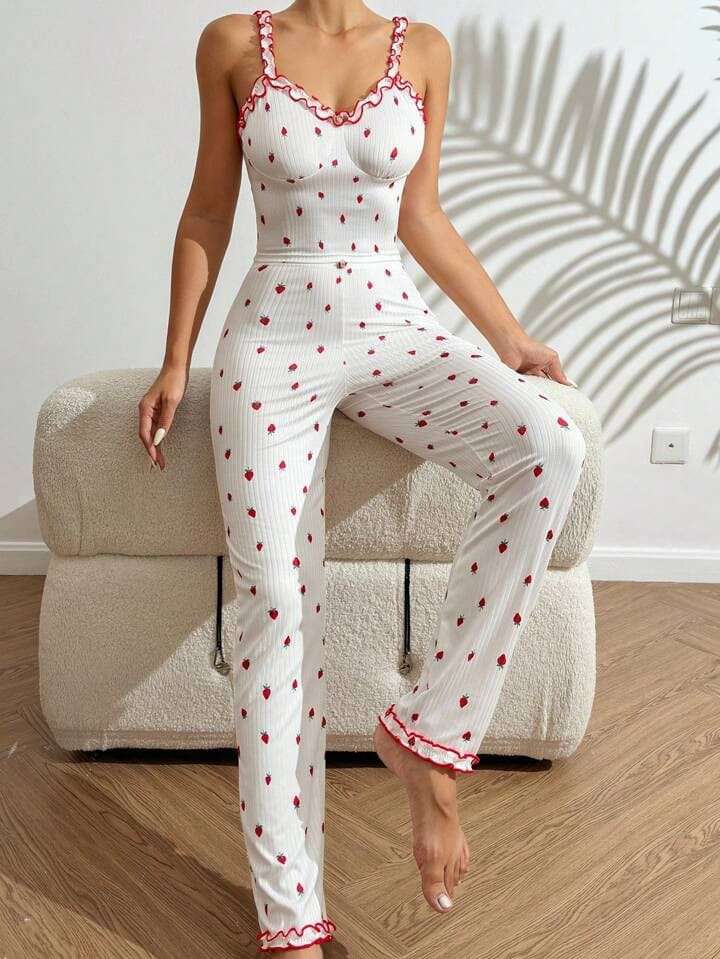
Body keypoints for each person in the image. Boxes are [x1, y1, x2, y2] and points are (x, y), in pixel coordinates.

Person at [137, 3, 586, 954]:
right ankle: (290, 916)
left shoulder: (423, 49)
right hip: (272, 337)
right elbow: (209, 209)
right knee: (274, 601)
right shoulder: (233, 43)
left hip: (392, 321)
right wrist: (176, 359)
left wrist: (511, 339)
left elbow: (421, 214)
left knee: (549, 447)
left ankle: (429, 736)